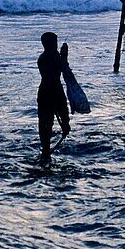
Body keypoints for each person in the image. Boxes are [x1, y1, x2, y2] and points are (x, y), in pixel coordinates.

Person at [37, 31, 71, 163]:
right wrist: (64, 56)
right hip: (53, 90)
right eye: (54, 43)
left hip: (45, 91)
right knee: (47, 123)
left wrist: (62, 56)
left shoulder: (45, 57)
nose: (56, 45)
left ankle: (45, 152)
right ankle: (46, 151)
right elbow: (64, 68)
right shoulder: (49, 58)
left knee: (45, 125)